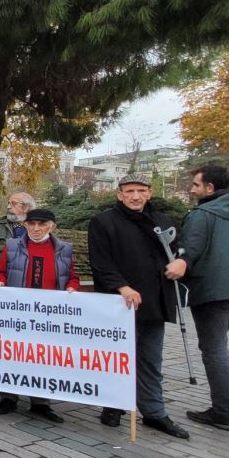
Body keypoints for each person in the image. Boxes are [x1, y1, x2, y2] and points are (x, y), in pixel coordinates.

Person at [165, 164, 229, 431]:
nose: (191, 189)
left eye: (196, 185)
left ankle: (224, 412)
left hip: (211, 291)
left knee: (213, 350)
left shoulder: (202, 214)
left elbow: (190, 252)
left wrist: (180, 264)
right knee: (218, 346)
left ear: (210, 188)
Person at [88, 175, 190, 438]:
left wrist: (181, 264)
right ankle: (114, 406)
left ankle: (154, 412)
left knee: (151, 360)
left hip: (155, 302)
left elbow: (176, 255)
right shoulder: (103, 222)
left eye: (141, 191)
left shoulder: (163, 222)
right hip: (118, 304)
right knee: (117, 359)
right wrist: (122, 286)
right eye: (129, 191)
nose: (135, 196)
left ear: (150, 192)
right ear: (119, 194)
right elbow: (101, 262)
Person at [0, 208, 79, 423]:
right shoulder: (12, 246)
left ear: (52, 226)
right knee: (12, 354)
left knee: (43, 357)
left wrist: (73, 288)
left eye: (42, 224)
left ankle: (40, 403)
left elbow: (73, 277)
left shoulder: (64, 250)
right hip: (17, 312)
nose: (36, 229)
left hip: (48, 316)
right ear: (26, 225)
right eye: (32, 224)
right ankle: (9, 397)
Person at [0, 191, 36, 270]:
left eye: (13, 203)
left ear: (26, 208)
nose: (8, 207)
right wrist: (0, 276)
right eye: (8, 203)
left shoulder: (39, 228)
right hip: (3, 278)